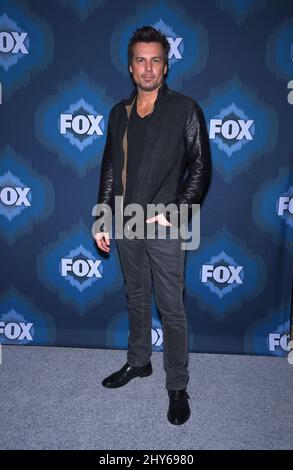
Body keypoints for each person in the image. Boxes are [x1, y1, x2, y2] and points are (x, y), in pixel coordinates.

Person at [94, 26, 211, 425]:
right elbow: (110, 167)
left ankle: (177, 385)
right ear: (130, 67)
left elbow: (201, 167)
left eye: (155, 60)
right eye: (141, 60)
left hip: (164, 224)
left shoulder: (185, 109)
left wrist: (176, 211)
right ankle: (139, 362)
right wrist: (102, 217)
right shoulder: (118, 113)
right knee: (136, 296)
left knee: (171, 308)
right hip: (125, 220)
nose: (148, 68)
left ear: (166, 66)